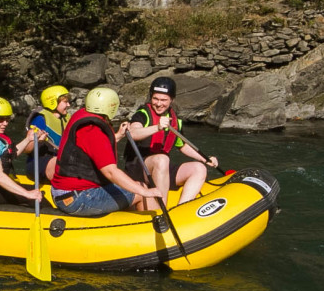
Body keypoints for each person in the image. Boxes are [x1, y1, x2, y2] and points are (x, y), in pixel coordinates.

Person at [49, 86, 164, 216]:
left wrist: (118, 135)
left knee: (134, 187)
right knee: (140, 190)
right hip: (77, 197)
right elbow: (110, 172)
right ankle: (159, 226)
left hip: (65, 192)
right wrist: (145, 192)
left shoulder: (81, 115)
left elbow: (93, 148)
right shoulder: (93, 130)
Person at [125, 76, 219, 207]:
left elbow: (182, 145)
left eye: (164, 100)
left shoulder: (175, 120)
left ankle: (181, 208)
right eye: (155, 99)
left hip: (162, 168)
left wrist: (205, 159)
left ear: (172, 100)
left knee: (199, 168)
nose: (158, 103)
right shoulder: (142, 114)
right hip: (139, 168)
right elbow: (133, 133)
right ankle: (161, 207)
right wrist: (157, 127)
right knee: (162, 159)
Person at [26, 84, 71, 177]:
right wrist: (37, 140)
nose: (69, 105)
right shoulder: (40, 119)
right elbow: (27, 149)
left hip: (58, 160)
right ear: (52, 102)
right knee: (62, 162)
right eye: (65, 102)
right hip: (38, 163)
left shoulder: (66, 119)